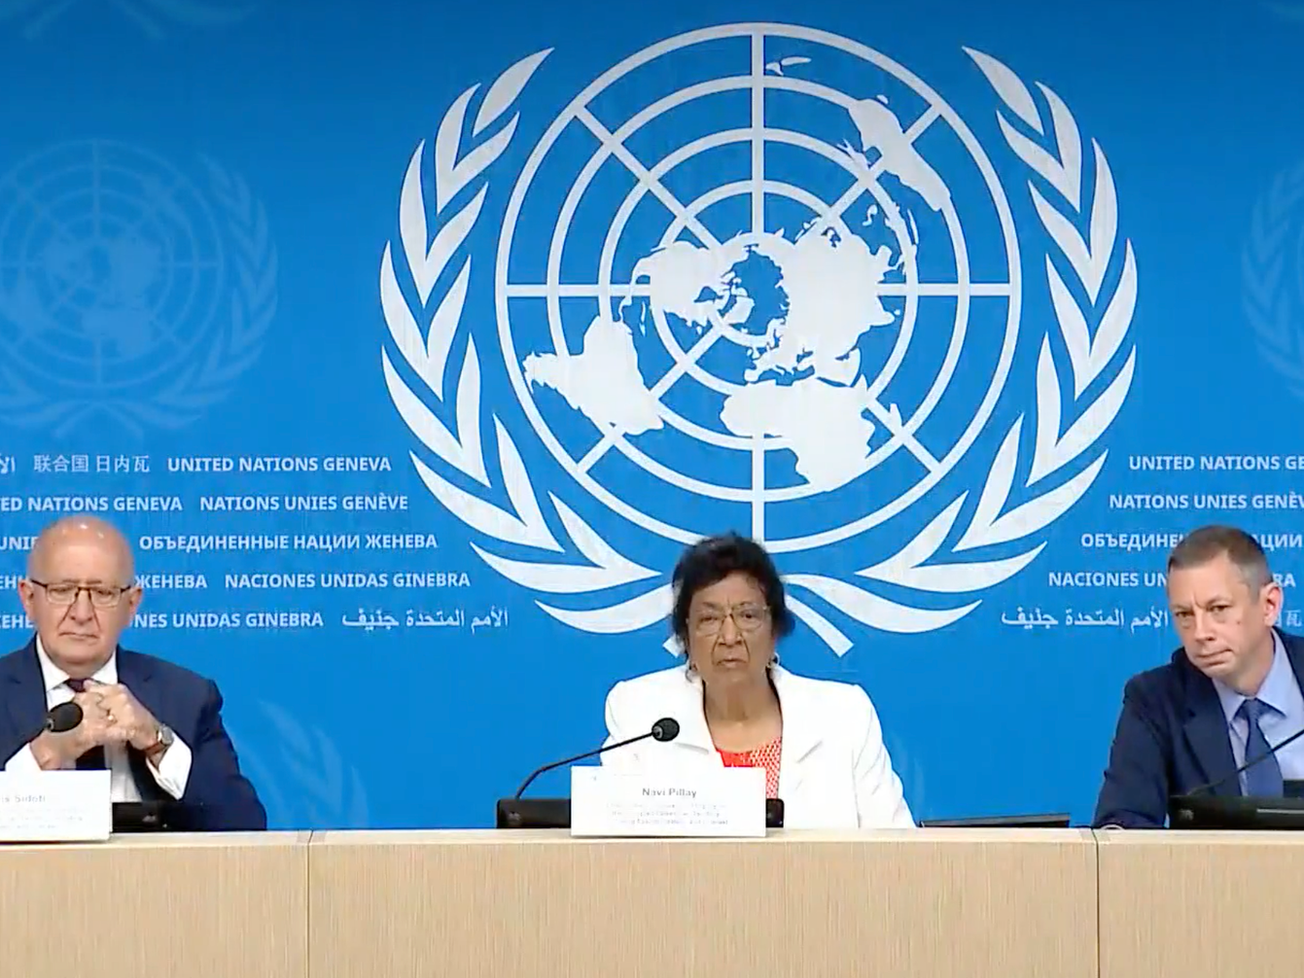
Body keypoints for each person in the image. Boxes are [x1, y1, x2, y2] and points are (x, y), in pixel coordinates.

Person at [600, 531, 915, 828]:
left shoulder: (844, 716)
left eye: (747, 615)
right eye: (709, 619)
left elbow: (899, 856)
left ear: (775, 628)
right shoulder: (639, 715)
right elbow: (616, 856)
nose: (729, 636)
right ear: (686, 635)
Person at [0, 515, 266, 831]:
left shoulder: (186, 697)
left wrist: (157, 742)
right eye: (63, 590)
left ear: (132, 605)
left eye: (103, 594)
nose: (82, 613)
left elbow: (243, 826)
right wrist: (43, 755)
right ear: (28, 598)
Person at [1093, 525, 1304, 828]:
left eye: (1218, 608)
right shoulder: (1156, 700)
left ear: (1269, 605)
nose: (1200, 633)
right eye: (1184, 615)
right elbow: (1122, 824)